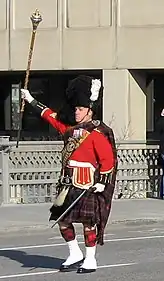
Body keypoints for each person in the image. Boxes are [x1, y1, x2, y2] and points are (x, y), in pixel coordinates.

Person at [21, 75, 117, 274]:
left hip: (88, 183)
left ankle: (90, 259)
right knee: (62, 219)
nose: (76, 112)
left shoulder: (98, 133)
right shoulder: (68, 128)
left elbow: (108, 161)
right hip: (68, 181)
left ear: (89, 110)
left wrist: (102, 183)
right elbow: (49, 115)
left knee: (89, 224)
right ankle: (74, 253)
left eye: (80, 109)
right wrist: (30, 100)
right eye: (75, 108)